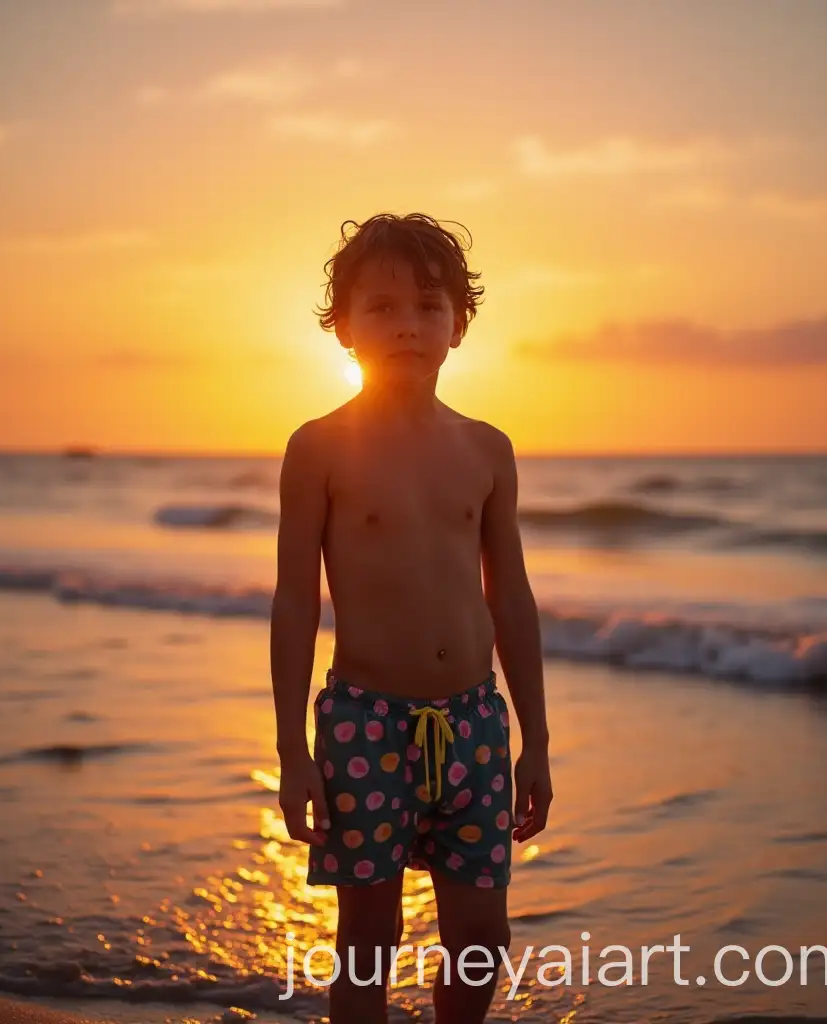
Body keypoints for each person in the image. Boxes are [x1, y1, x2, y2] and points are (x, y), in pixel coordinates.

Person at [271, 212, 552, 1024]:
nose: (407, 325)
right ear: (344, 328)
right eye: (383, 308)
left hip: (473, 723)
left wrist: (535, 740)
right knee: (368, 937)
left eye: (430, 306)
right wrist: (293, 748)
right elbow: (296, 601)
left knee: (481, 938)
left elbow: (512, 599)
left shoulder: (487, 448)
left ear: (459, 325)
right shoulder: (318, 447)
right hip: (366, 725)